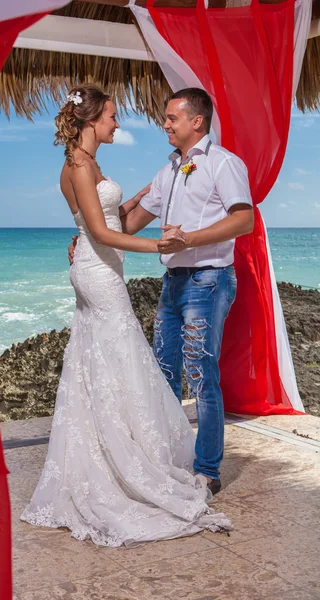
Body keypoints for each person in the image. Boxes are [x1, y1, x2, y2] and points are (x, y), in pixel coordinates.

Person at [21, 85, 231, 547]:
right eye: (113, 116)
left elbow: (105, 222)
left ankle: (117, 452)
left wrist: (131, 203)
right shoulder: (79, 164)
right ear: (92, 118)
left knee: (105, 363)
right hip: (100, 273)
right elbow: (98, 231)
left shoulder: (87, 163)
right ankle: (124, 464)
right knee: (123, 358)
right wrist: (161, 244)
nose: (118, 123)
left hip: (95, 269)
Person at [70, 88, 254, 496]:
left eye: (172, 118)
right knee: (163, 374)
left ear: (196, 121)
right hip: (173, 283)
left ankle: (207, 469)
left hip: (208, 281)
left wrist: (189, 239)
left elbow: (245, 220)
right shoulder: (169, 168)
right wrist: (86, 237)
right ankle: (166, 459)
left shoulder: (224, 164)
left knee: (200, 376)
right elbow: (130, 222)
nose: (165, 124)